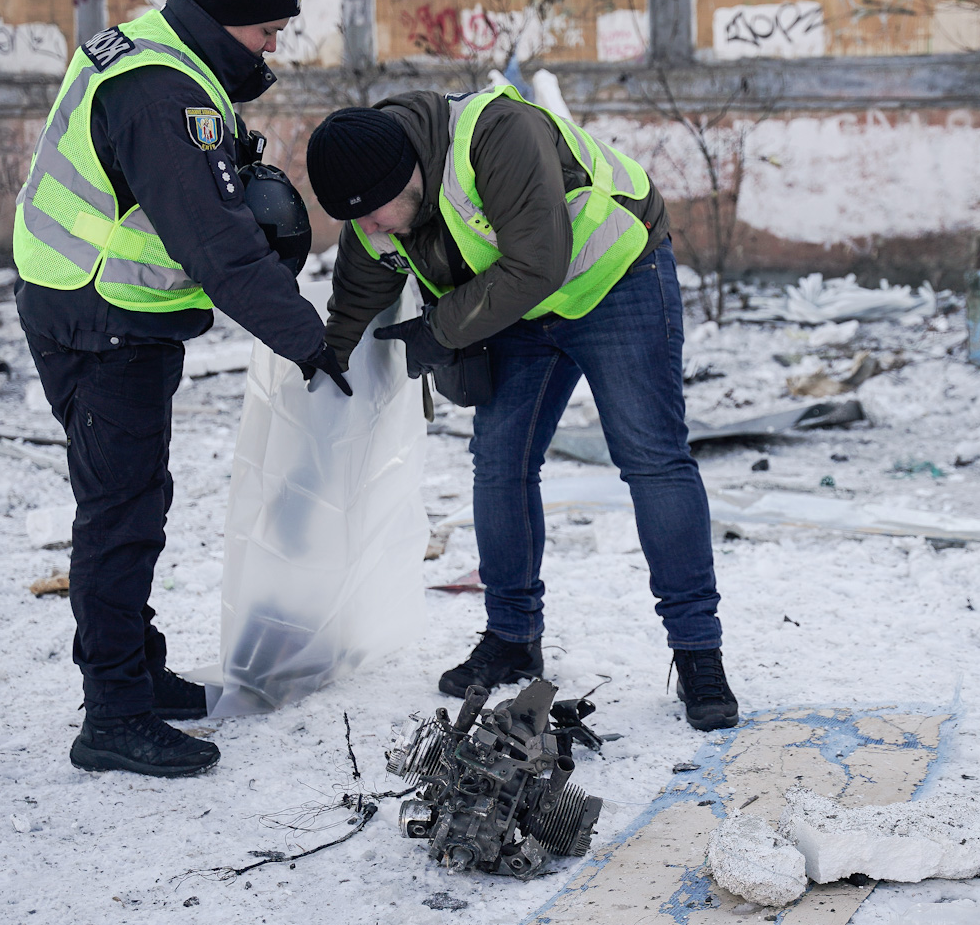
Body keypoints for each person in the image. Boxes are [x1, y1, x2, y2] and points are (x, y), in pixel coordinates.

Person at [303, 87, 738, 731]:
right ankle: (511, 637)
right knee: (499, 463)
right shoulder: (374, 199)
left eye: (375, 214)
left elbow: (536, 264)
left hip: (613, 277)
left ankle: (698, 653)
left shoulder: (494, 135)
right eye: (357, 221)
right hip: (517, 307)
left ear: (409, 174)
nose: (370, 230)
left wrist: (439, 330)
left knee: (651, 458)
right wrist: (325, 358)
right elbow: (359, 292)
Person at [14, 0, 346, 777]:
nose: (274, 46)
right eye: (269, 32)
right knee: (120, 515)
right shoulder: (163, 94)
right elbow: (216, 248)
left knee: (132, 500)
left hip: (89, 307)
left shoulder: (153, 48)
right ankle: (114, 714)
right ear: (229, 21)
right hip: (103, 319)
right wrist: (310, 342)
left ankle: (136, 670)